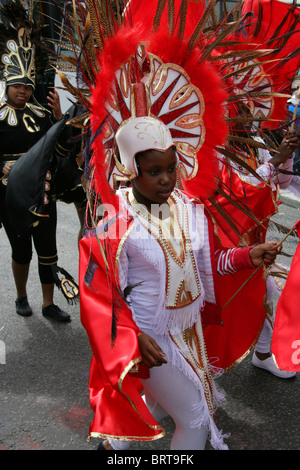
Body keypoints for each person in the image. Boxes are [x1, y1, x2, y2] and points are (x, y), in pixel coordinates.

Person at [79, 116, 281, 451]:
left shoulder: (189, 207)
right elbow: (102, 292)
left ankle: (111, 448)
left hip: (189, 330)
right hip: (148, 335)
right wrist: (133, 337)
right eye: (154, 171)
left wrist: (249, 256)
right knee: (194, 418)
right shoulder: (115, 219)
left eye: (171, 169)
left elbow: (208, 263)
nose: (166, 179)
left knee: (157, 406)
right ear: (131, 170)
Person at [210, 100, 299, 378]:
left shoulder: (255, 141)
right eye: (242, 111)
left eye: (251, 110)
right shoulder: (216, 152)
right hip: (225, 243)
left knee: (274, 292)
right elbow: (236, 196)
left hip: (254, 239)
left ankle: (262, 354)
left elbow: (280, 184)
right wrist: (274, 160)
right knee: (223, 308)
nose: (250, 117)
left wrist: (286, 155)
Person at [0, 6, 72, 322]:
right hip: (9, 195)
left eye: (28, 87)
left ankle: (48, 304)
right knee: (21, 251)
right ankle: (20, 296)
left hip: (43, 193)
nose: (24, 91)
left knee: (48, 249)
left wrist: (59, 121)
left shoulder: (41, 116)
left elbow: (59, 150)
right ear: (7, 86)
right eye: (18, 86)